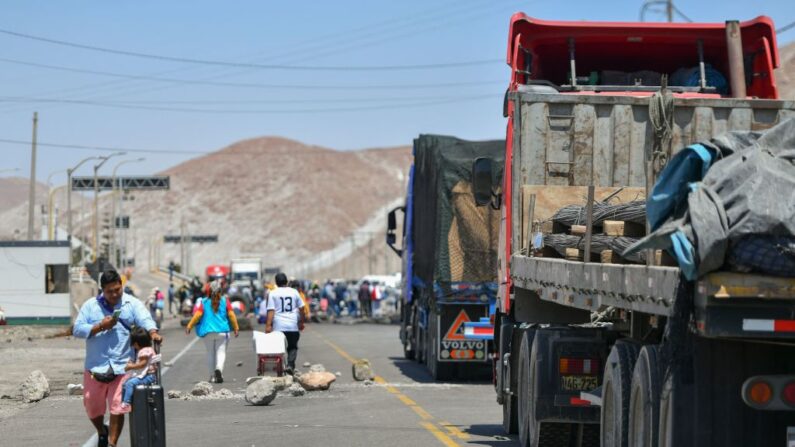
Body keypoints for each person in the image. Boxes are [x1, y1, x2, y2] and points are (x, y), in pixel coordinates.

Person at [73, 269, 162, 447]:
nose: (114, 294)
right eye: (109, 291)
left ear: (122, 286)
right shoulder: (90, 306)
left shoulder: (131, 303)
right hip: (95, 366)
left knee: (118, 407)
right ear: (102, 290)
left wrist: (153, 332)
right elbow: (77, 329)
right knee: (92, 407)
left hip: (123, 366)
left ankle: (112, 443)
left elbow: (145, 318)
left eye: (117, 289)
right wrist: (100, 326)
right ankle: (101, 431)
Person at [185, 280, 239, 384]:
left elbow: (197, 316)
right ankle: (218, 369)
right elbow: (232, 315)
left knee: (210, 353)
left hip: (207, 332)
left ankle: (212, 377)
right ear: (220, 290)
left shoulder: (204, 302)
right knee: (221, 352)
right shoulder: (225, 301)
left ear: (209, 290)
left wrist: (189, 326)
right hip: (223, 331)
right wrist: (236, 328)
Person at [265, 273, 305, 374]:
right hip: (292, 325)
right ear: (286, 282)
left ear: (276, 283)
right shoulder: (294, 292)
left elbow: (271, 310)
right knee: (292, 347)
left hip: (278, 326)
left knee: (279, 348)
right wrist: (301, 321)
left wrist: (268, 325)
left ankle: (281, 368)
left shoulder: (273, 293)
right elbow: (302, 308)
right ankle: (290, 365)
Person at [120, 327, 160, 411]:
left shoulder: (144, 351)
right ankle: (124, 400)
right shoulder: (147, 349)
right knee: (125, 383)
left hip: (148, 376)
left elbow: (142, 364)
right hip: (146, 375)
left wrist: (130, 366)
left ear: (137, 343)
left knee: (130, 383)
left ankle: (126, 402)